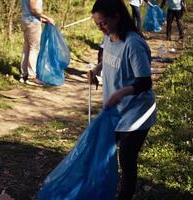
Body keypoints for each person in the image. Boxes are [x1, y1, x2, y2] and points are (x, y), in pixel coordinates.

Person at [88, 0, 157, 199]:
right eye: (97, 24)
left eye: (103, 23)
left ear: (117, 16)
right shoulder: (109, 37)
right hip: (115, 112)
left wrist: (120, 93)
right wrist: (96, 70)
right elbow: (108, 58)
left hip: (136, 115)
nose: (100, 28)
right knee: (104, 151)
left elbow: (145, 82)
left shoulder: (134, 44)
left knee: (126, 161)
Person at [20, 0, 55, 85]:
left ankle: (24, 75)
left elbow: (29, 9)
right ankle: (31, 77)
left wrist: (42, 19)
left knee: (27, 48)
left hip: (26, 20)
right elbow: (33, 9)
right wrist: (47, 18)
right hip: (32, 22)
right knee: (34, 49)